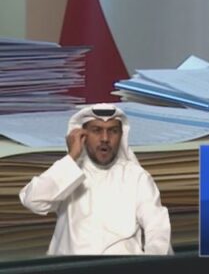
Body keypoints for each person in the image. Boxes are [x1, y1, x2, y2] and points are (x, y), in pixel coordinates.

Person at [18, 103, 172, 256]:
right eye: (96, 130)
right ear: (82, 135)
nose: (105, 138)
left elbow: (158, 228)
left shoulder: (136, 177)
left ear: (121, 135)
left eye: (113, 131)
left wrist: (151, 266)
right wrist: (72, 157)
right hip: (70, 268)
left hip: (122, 268)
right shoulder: (68, 172)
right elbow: (33, 201)